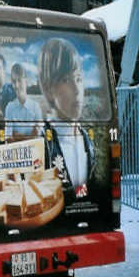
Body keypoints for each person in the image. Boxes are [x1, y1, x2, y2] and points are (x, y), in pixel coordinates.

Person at [38, 38, 94, 200]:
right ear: (48, 89)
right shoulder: (42, 142)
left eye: (78, 79)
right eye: (65, 80)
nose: (77, 90)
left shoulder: (86, 139)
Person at [4, 63, 43, 141]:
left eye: (19, 80)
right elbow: (8, 137)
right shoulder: (9, 107)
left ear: (26, 81)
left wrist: (16, 135)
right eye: (14, 82)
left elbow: (38, 136)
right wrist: (29, 137)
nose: (17, 85)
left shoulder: (35, 107)